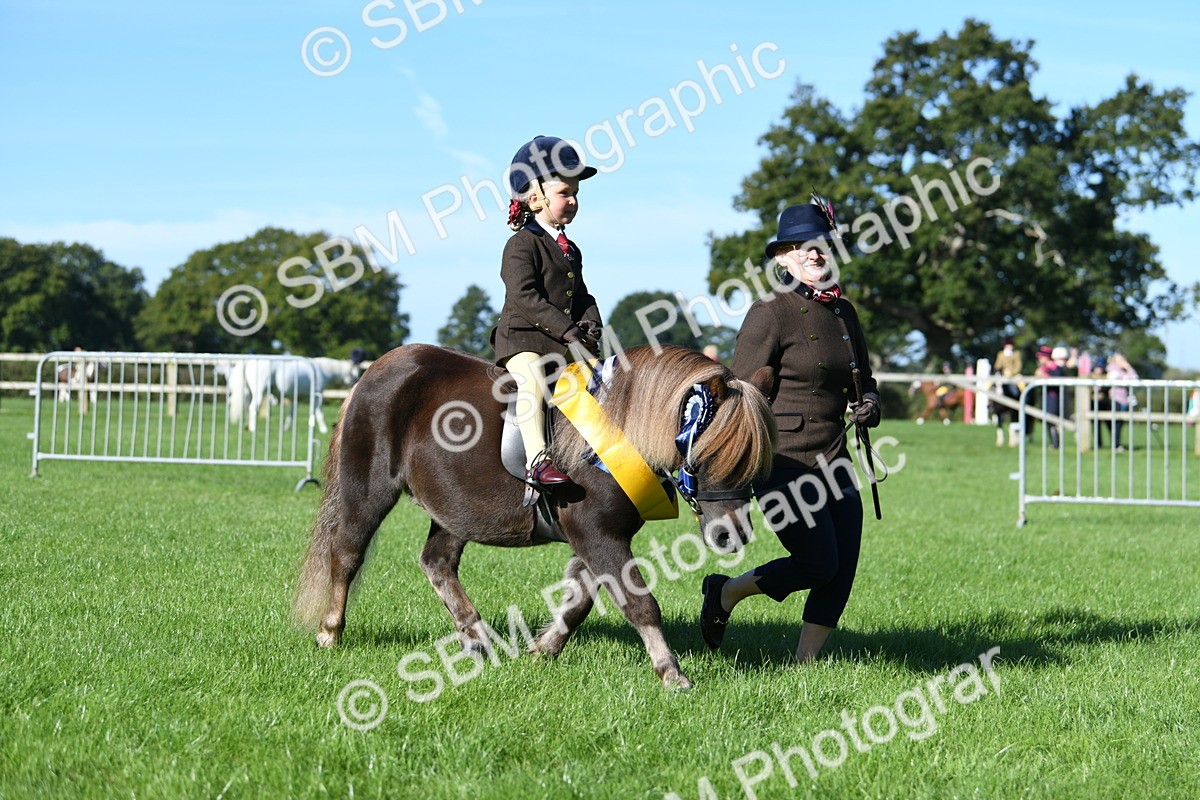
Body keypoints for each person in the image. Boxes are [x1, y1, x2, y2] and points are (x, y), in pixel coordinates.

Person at [700, 197, 881, 664]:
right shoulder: (770, 311)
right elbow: (738, 393)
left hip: (835, 457)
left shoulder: (844, 313)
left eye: (821, 244)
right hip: (782, 460)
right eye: (803, 246)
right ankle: (726, 592)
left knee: (843, 566)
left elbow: (865, 378)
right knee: (818, 562)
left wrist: (870, 402)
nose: (815, 253)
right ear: (783, 258)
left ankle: (805, 664)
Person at [490, 135, 602, 486]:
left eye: (576, 194)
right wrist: (567, 329)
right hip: (522, 340)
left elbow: (580, 295)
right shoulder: (520, 244)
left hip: (562, 340)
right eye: (565, 193)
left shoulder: (571, 249)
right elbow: (524, 295)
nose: (573, 201)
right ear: (536, 197)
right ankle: (537, 460)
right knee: (533, 379)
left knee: (605, 378)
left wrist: (591, 324)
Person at [993, 336, 1023, 447]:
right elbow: (997, 365)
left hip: (1014, 376)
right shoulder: (1001, 354)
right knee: (989, 385)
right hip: (1002, 376)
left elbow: (1018, 366)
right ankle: (989, 403)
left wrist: (1011, 372)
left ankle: (1024, 399)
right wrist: (1001, 370)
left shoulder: (1017, 354)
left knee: (1022, 386)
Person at [1034, 345, 1064, 449]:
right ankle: (1053, 443)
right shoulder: (1043, 368)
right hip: (1045, 397)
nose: (1039, 359)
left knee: (1053, 421)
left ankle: (1056, 444)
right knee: (1047, 421)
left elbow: (1057, 380)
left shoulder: (1056, 368)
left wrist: (1044, 375)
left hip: (1053, 398)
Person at [1107, 353, 1138, 451]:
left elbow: (1134, 378)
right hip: (1115, 399)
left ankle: (1117, 444)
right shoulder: (1113, 370)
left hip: (1124, 400)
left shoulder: (1124, 370)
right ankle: (1115, 445)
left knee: (1120, 423)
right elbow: (1121, 379)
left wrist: (1128, 368)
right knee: (1116, 423)